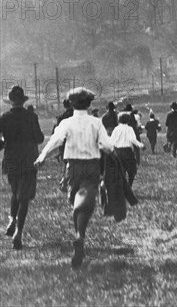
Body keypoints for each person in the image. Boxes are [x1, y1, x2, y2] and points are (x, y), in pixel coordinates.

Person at [34, 87, 114, 268]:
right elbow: (106, 144)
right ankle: (80, 236)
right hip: (92, 166)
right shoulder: (96, 122)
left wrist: (42, 158)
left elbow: (54, 141)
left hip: (73, 167)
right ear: (89, 103)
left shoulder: (66, 123)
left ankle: (79, 235)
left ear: (71, 104)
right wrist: (112, 152)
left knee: (75, 202)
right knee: (86, 201)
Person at [0, 86, 44, 250]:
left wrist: (6, 143)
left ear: (11, 101)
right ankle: (18, 232)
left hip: (11, 159)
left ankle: (12, 218)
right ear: (23, 100)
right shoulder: (32, 116)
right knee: (24, 197)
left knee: (15, 192)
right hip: (28, 159)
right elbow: (39, 138)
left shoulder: (3, 117)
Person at [111, 112, 145, 187]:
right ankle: (129, 186)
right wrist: (141, 145)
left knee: (121, 170)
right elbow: (133, 139)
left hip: (118, 152)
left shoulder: (116, 129)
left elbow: (112, 141)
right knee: (132, 170)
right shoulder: (129, 129)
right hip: (127, 152)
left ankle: (122, 186)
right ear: (128, 120)